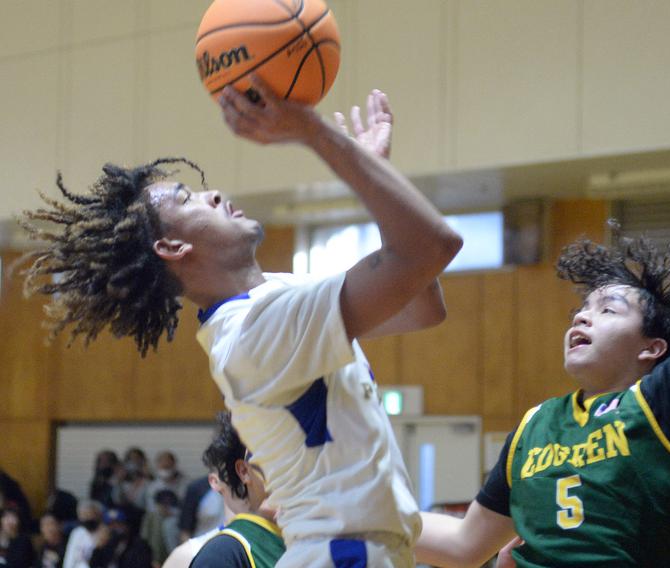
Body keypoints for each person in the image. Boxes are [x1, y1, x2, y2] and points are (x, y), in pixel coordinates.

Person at [20, 75, 463, 568]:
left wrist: (374, 174)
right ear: (172, 248)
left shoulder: (278, 295)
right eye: (189, 199)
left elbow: (423, 306)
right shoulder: (252, 334)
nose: (213, 195)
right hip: (342, 555)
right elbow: (431, 248)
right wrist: (318, 136)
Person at [414, 99, 670, 567]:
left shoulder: (669, 403)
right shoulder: (534, 426)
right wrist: (355, 512)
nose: (581, 318)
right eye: (581, 310)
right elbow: (464, 545)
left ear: (653, 347)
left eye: (608, 309)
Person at [187, 412, 284, 568]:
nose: (287, 473)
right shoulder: (224, 554)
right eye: (273, 461)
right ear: (244, 471)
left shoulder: (317, 539)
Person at [88, 508, 152, 568]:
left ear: (127, 525)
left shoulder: (140, 545)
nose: (114, 528)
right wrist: (98, 548)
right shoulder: (108, 545)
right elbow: (93, 565)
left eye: (118, 524)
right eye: (110, 525)